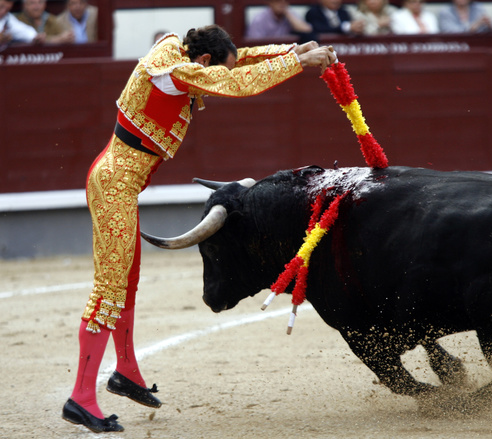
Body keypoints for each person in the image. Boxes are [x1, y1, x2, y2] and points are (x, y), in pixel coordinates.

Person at [61, 24, 336, 433]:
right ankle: (80, 398)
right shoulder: (173, 71)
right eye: (214, 71)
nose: (211, 86)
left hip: (120, 181)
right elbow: (237, 82)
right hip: (114, 184)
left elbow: (238, 59)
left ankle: (125, 372)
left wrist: (291, 49)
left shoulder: (185, 56)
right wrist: (298, 63)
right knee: (109, 289)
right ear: (204, 61)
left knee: (127, 281)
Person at [246, 0, 314, 42]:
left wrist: (287, 14)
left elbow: (307, 29)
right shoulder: (259, 19)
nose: (282, 2)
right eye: (278, 0)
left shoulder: (290, 13)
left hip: (287, 55)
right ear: (270, 2)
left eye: (285, 0)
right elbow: (254, 44)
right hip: (267, 56)